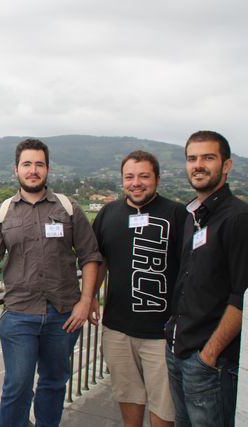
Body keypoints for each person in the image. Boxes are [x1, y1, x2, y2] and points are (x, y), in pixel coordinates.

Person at [0, 138, 102, 427]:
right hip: (20, 315)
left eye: (39, 164)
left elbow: (90, 257)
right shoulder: (1, 213)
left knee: (54, 382)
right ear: (16, 170)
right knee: (18, 385)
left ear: (48, 169)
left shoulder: (68, 208)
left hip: (64, 315)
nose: (33, 170)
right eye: (27, 164)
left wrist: (86, 301)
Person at [92, 150, 186, 427]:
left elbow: (190, 267)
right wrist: (89, 298)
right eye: (130, 177)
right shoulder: (109, 213)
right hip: (117, 328)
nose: (136, 183)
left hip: (162, 333)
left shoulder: (177, 214)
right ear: (122, 180)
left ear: (157, 178)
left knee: (164, 406)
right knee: (128, 395)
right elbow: (99, 260)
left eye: (144, 176)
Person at [165, 131, 248, 426]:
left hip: (209, 361)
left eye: (208, 158)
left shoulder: (238, 218)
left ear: (226, 165)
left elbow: (243, 296)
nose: (198, 165)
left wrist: (209, 355)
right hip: (179, 350)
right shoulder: (192, 215)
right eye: (192, 158)